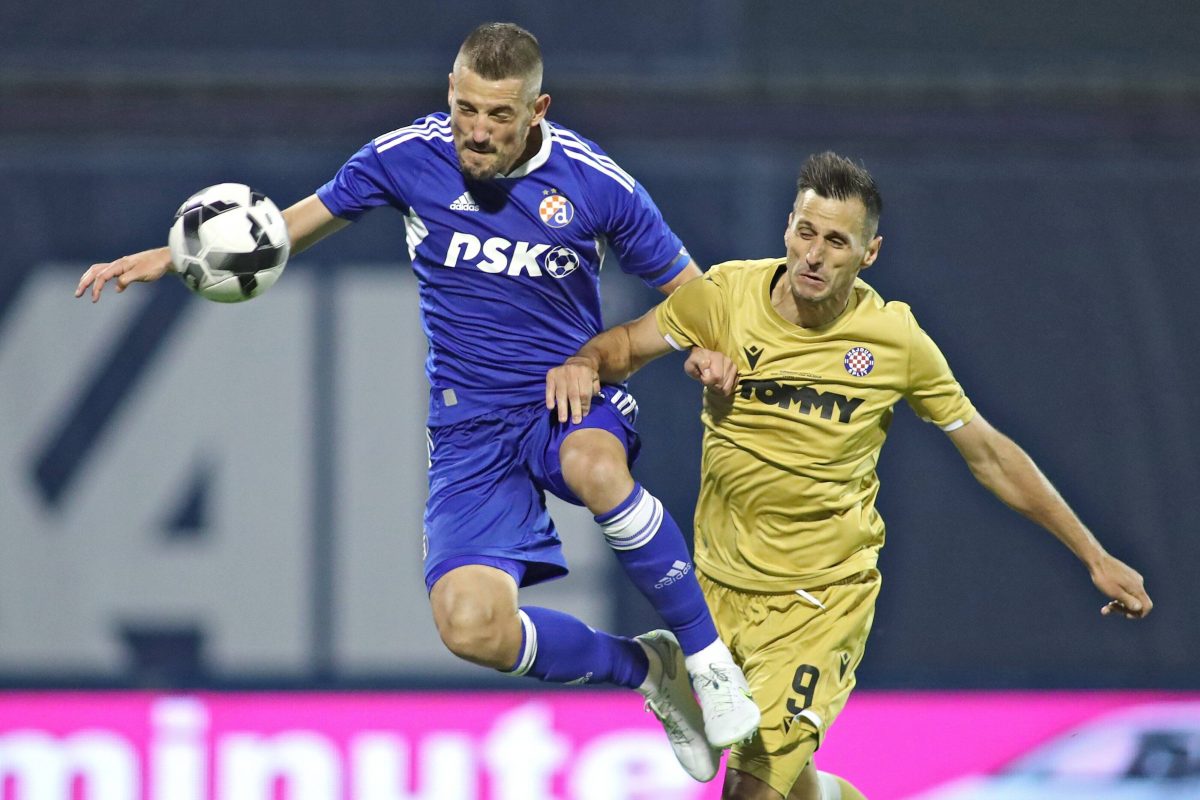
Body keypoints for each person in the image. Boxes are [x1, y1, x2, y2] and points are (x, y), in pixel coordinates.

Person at [74, 21, 760, 782]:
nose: (479, 130)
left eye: (500, 116)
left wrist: (701, 346)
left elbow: (695, 292)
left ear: (538, 111)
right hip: (469, 426)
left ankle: (706, 660)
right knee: (473, 629)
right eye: (467, 109)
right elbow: (293, 227)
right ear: (450, 95)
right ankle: (648, 670)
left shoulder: (596, 182)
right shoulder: (404, 158)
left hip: (566, 394)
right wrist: (175, 257)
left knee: (594, 466)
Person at [546, 151, 1153, 800]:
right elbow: (622, 350)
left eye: (837, 241)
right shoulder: (723, 299)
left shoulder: (894, 342)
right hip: (717, 589)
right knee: (781, 776)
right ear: (787, 229)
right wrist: (584, 363)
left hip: (820, 600)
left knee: (749, 789)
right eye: (806, 232)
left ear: (869, 254)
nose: (814, 254)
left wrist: (1092, 554)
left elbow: (989, 453)